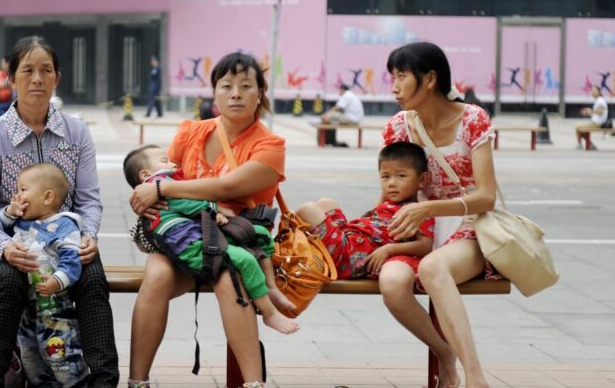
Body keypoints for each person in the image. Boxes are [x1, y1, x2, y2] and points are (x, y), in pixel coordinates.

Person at [127, 52, 287, 388]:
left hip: (239, 240)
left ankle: (254, 383)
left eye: (246, 86)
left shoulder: (270, 146)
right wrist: (148, 197)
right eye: (226, 85)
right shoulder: (191, 132)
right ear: (214, 92)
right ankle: (137, 381)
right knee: (155, 274)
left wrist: (160, 188)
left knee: (230, 275)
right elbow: (162, 181)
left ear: (260, 93)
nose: (236, 94)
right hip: (189, 239)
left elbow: (228, 186)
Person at [0, 36, 118, 387]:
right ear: (11, 79)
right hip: (9, 240)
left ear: (57, 79)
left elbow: (89, 199)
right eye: (28, 70)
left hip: (64, 240)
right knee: (8, 283)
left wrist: (88, 237)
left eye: (45, 70)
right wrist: (4, 247)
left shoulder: (76, 132)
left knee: (93, 281)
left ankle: (104, 381)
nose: (37, 78)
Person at [376, 42, 501, 388]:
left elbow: (487, 196)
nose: (394, 86)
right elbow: (390, 190)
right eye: (393, 77)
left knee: (434, 267)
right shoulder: (399, 126)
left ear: (430, 79)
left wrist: (430, 206)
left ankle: (475, 377)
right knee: (391, 283)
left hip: (471, 228)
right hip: (421, 232)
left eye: (402, 76)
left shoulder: (473, 119)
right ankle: (445, 355)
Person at [123, 144, 299, 334]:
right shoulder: (156, 185)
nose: (172, 163)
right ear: (144, 174)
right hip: (192, 246)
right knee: (245, 260)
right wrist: (214, 210)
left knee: (259, 233)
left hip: (204, 232)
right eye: (165, 161)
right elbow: (185, 203)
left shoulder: (163, 185)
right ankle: (269, 312)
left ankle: (270, 287)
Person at [0, 163, 88, 387]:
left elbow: (72, 261)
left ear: (48, 197)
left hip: (56, 311)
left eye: (23, 190)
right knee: (32, 360)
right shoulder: (23, 222)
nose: (17, 196)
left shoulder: (64, 226)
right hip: (28, 311)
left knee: (62, 359)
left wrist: (57, 282)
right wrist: (10, 212)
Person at [296, 142, 434, 280]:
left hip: (350, 257)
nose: (391, 183)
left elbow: (426, 246)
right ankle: (299, 249)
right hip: (346, 239)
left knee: (308, 209)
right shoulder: (388, 204)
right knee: (326, 202)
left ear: (421, 179)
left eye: (401, 176)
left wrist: (389, 249)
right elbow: (374, 216)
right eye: (385, 177)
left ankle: (294, 252)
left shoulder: (418, 211)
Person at [575, 85, 609, 150]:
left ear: (599, 92)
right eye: (592, 90)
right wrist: (588, 112)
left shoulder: (600, 100)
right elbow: (597, 114)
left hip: (598, 124)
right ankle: (590, 144)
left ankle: (580, 145)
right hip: (596, 122)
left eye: (594, 90)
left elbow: (600, 112)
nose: (592, 92)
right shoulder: (598, 100)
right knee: (580, 127)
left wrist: (589, 110)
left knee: (578, 127)